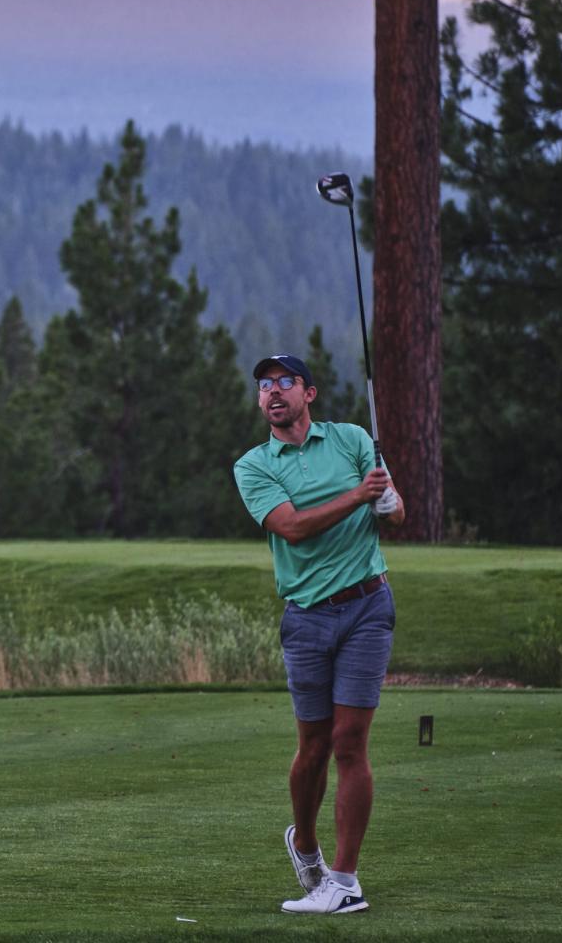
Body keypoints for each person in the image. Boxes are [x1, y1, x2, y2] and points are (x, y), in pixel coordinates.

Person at [231, 353, 404, 915]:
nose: (273, 391)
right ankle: (305, 842)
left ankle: (345, 881)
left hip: (366, 605)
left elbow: (394, 515)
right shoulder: (253, 465)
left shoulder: (353, 439)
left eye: (285, 382)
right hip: (306, 616)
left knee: (349, 742)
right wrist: (358, 496)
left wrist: (386, 498)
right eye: (264, 385)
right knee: (313, 747)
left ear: (310, 393)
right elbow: (293, 529)